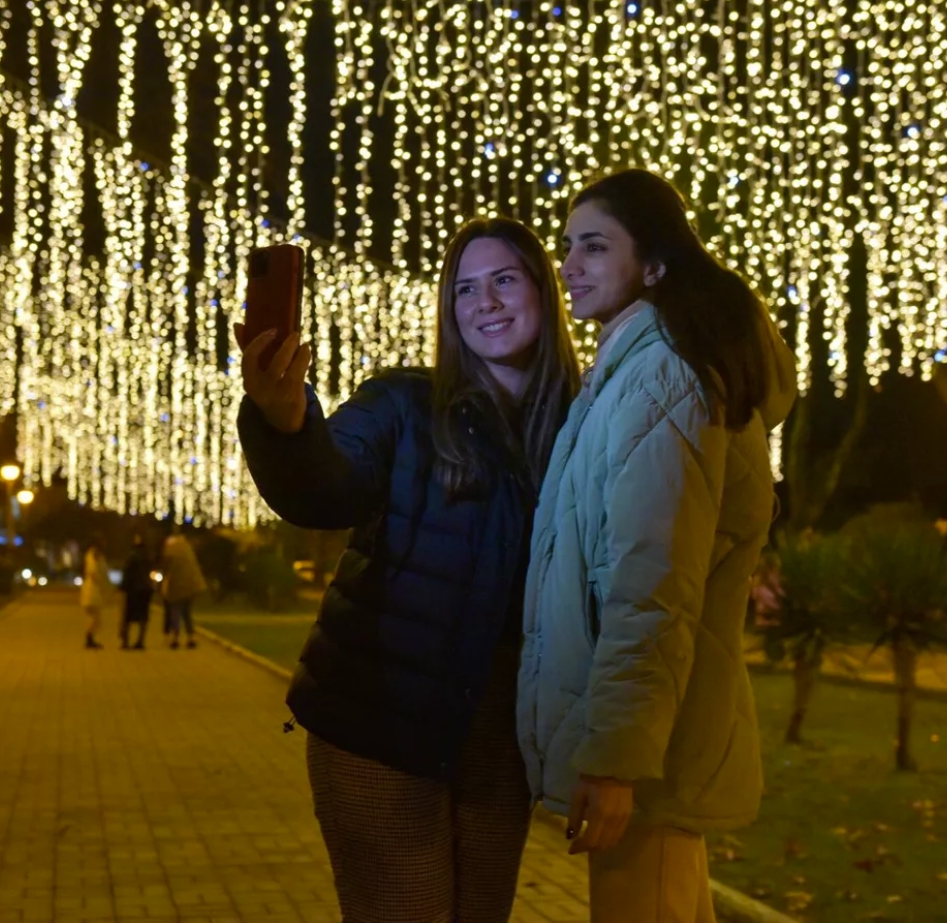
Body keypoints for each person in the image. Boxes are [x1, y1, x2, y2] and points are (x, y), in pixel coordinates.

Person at [235, 217, 580, 923]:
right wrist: (284, 422)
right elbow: (324, 487)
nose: (484, 300)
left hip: (499, 743)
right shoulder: (402, 403)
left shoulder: (582, 425)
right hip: (379, 723)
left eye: (504, 279)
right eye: (464, 289)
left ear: (544, 293)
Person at [517, 169, 798, 923]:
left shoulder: (663, 377)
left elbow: (652, 582)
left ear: (656, 264)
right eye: (568, 245)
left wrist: (615, 760)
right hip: (652, 738)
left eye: (595, 245)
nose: (569, 264)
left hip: (651, 752)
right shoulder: (631, 372)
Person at [159, 531, 206, 650]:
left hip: (177, 587)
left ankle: (175, 637)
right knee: (187, 613)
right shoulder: (187, 549)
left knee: (176, 611)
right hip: (190, 587)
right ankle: (191, 637)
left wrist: (163, 583)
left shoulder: (171, 551)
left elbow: (166, 569)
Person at [80, 537, 116, 650]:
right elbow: (94, 572)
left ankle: (90, 638)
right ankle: (89, 638)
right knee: (95, 618)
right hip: (92, 590)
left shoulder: (94, 556)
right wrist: (101, 583)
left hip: (93, 589)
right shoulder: (93, 556)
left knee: (95, 617)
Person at [120, 533, 154, 650]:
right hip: (145, 589)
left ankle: (125, 641)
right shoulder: (147, 555)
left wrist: (123, 586)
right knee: (143, 617)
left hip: (133, 589)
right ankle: (140, 640)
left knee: (128, 617)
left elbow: (127, 572)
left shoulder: (132, 555)